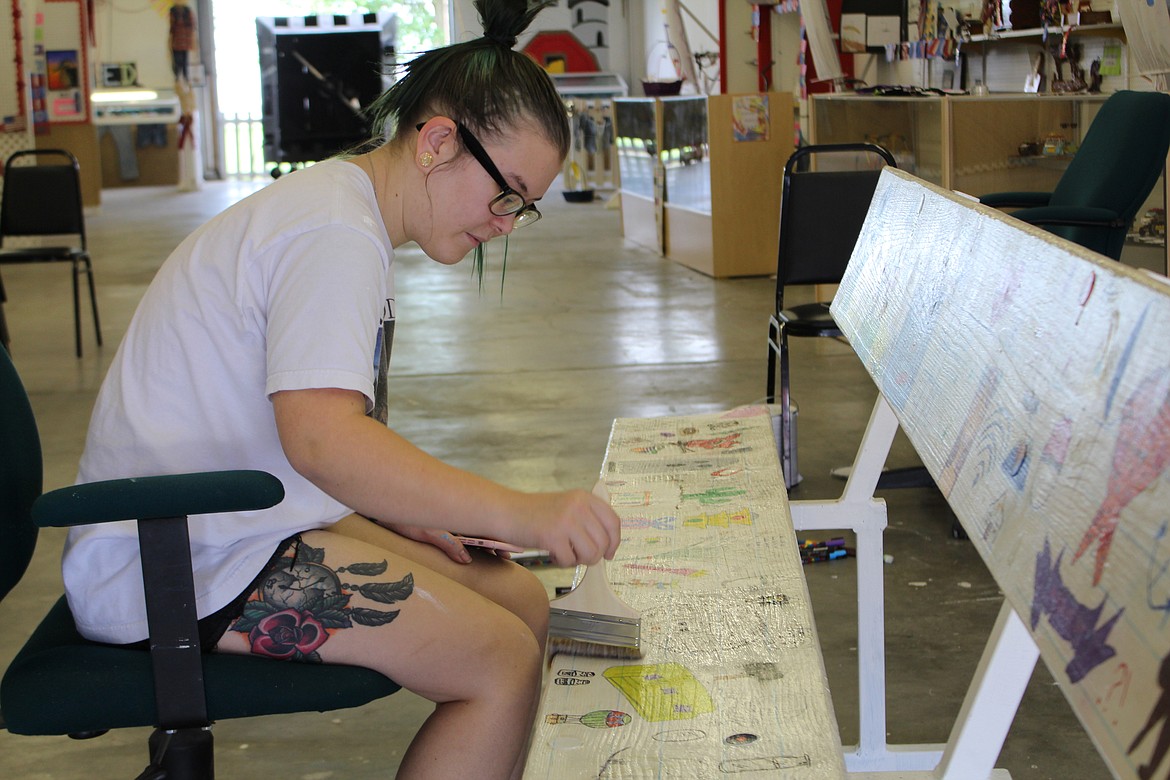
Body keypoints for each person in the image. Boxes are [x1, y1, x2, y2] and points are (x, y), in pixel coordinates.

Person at [61, 1, 621, 778]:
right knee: (497, 663)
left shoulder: (343, 210)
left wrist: (405, 509)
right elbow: (323, 440)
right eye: (507, 194)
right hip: (175, 557)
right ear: (436, 142)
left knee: (522, 603)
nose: (505, 223)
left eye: (521, 209)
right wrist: (524, 510)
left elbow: (326, 440)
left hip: (237, 520)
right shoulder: (335, 233)